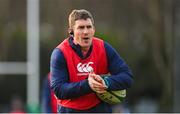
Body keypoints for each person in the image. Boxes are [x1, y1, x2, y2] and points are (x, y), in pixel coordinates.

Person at [50, 9, 133, 113]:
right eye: (81, 27)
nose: (86, 31)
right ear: (71, 31)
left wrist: (105, 82)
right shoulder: (60, 53)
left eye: (89, 27)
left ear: (93, 30)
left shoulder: (103, 48)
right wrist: (88, 85)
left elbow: (127, 77)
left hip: (99, 108)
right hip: (70, 110)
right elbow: (59, 90)